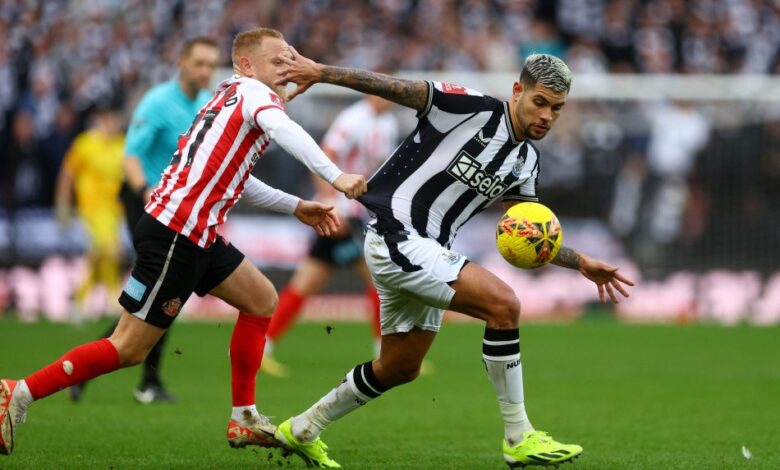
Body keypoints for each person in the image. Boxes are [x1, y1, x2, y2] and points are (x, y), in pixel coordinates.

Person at [0, 27, 367, 457]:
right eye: (278, 61)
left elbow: (238, 181)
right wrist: (335, 177)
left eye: (291, 58)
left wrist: (296, 206)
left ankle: (244, 417)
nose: (288, 68)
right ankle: (17, 392)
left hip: (193, 231)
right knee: (128, 347)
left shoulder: (228, 95)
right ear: (247, 65)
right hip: (177, 233)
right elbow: (286, 131)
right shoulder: (253, 95)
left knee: (260, 298)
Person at [270, 52, 635, 468]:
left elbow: (529, 233)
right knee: (504, 304)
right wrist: (321, 72)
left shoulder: (525, 162)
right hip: (396, 233)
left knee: (400, 366)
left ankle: (301, 428)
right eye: (540, 101)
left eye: (557, 108)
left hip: (428, 249)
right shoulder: (467, 107)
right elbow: (392, 86)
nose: (547, 115)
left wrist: (580, 262)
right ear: (517, 91)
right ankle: (519, 435)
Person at [68, 36, 221, 405]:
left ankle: (94, 368)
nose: (205, 71)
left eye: (210, 65)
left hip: (176, 209)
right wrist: (146, 192)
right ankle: (137, 379)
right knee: (164, 291)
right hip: (146, 203)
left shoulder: (204, 103)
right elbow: (132, 156)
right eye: (199, 63)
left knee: (161, 294)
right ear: (181, 62)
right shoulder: (157, 102)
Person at [262, 95, 399, 377]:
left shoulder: (387, 123)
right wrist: (330, 203)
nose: (390, 101)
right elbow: (325, 157)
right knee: (378, 278)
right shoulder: (353, 119)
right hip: (341, 213)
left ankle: (262, 347)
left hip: (358, 213)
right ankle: (387, 354)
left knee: (307, 282)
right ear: (373, 94)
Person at [55, 107, 125, 317]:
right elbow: (68, 173)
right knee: (110, 249)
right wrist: (62, 202)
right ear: (100, 121)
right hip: (91, 208)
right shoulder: (85, 144)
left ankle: (78, 300)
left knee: (101, 254)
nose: (114, 125)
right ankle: (113, 299)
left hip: (113, 210)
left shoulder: (121, 144)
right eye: (110, 120)